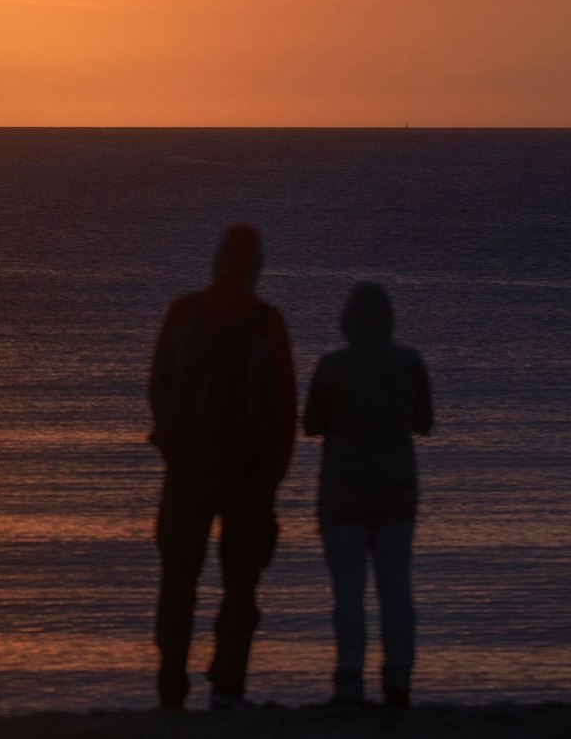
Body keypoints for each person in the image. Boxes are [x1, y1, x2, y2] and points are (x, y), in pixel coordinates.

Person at [147, 224, 297, 712]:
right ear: (255, 267)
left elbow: (158, 387)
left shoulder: (183, 314)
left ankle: (172, 682)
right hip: (248, 472)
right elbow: (284, 407)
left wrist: (171, 441)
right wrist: (274, 473)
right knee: (239, 583)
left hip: (190, 466)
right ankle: (228, 684)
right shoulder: (267, 323)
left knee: (179, 580)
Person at [302, 282, 433, 710]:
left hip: (342, 490)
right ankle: (398, 681)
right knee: (396, 588)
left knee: (348, 591)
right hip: (396, 489)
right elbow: (425, 422)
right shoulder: (409, 362)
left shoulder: (331, 366)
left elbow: (311, 424)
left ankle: (348, 682)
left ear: (347, 320)